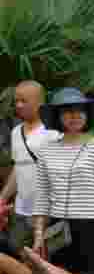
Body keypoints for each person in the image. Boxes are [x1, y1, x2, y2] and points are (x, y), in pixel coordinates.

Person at [33, 87, 94, 274]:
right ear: (57, 116)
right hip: (58, 229)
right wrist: (38, 233)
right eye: (67, 111)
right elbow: (42, 194)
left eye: (79, 110)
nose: (74, 116)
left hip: (93, 226)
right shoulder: (46, 151)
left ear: (87, 114)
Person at [0, 80, 61, 249]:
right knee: (15, 251)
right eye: (16, 101)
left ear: (39, 102)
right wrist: (3, 198)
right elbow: (19, 169)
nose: (18, 105)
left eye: (23, 101)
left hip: (47, 212)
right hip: (21, 210)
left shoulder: (53, 132)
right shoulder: (15, 132)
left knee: (46, 259)